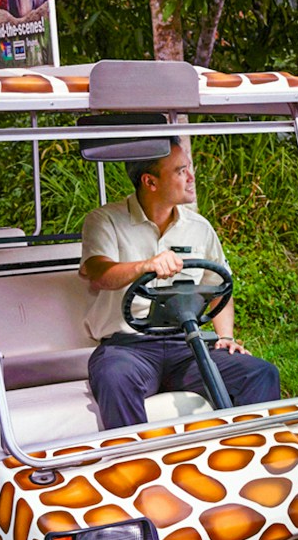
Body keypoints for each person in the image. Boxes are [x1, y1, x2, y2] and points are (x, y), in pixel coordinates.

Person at [80, 138, 280, 430]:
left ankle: (250, 459)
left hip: (185, 346)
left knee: (260, 373)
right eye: (180, 171)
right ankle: (135, 467)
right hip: (127, 349)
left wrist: (226, 336)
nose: (191, 177)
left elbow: (219, 287)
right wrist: (144, 266)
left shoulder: (199, 228)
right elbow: (98, 272)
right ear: (150, 182)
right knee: (115, 377)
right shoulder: (105, 220)